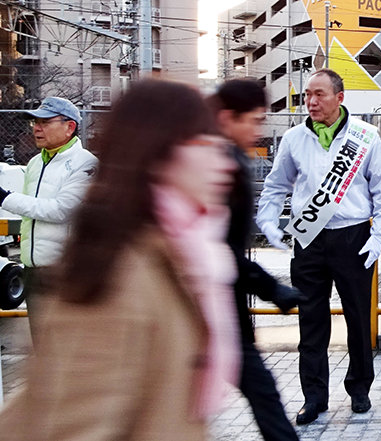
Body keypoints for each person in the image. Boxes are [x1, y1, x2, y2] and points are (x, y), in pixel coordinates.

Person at [0, 80, 240, 440]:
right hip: (40, 266)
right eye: (205, 143)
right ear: (160, 154)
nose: (225, 161)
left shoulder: (177, 254)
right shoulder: (115, 279)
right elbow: (73, 424)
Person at [257, 68, 381, 424]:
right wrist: (269, 221)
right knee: (311, 321)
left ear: (340, 97)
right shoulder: (293, 139)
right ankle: (314, 397)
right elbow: (276, 186)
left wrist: (379, 235)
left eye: (319, 94)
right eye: (307, 95)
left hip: (352, 237)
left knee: (359, 319)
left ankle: (360, 389)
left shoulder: (365, 137)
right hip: (309, 240)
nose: (311, 102)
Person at [211, 78, 301, 440]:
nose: (258, 130)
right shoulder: (213, 166)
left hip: (219, 310)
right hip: (208, 312)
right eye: (253, 120)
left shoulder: (223, 158)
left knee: (264, 396)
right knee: (265, 397)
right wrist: (273, 289)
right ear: (226, 117)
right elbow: (215, 248)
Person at [1, 97, 97, 342]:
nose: (36, 128)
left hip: (63, 272)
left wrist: (4, 198)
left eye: (45, 122)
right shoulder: (35, 162)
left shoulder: (85, 163)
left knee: (64, 350)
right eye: (35, 122)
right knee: (42, 349)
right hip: (32, 270)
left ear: (70, 127)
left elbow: (60, 210)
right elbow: (30, 212)